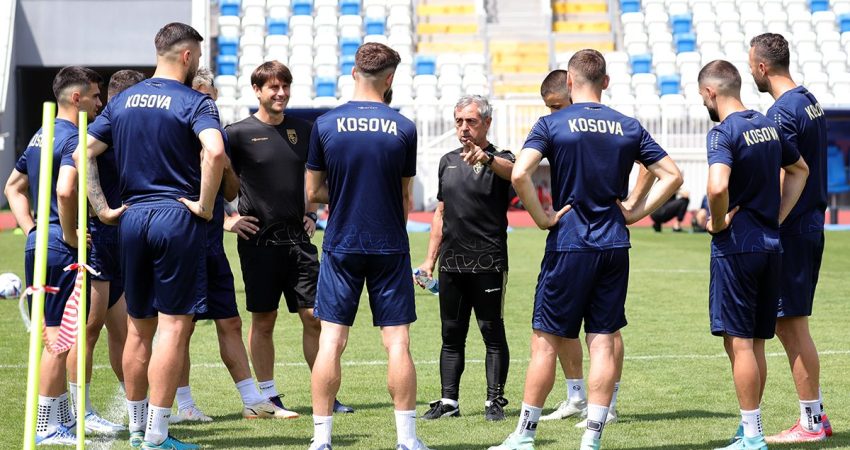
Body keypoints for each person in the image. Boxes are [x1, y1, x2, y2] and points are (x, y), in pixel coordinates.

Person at [490, 49, 683, 450]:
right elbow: (673, 175)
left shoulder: (552, 123)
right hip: (614, 243)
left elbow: (521, 172)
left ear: (569, 82)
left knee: (545, 341)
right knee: (603, 340)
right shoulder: (628, 125)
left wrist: (542, 217)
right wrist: (634, 211)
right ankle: (592, 437)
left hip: (570, 243)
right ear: (606, 82)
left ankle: (525, 435)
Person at [76, 22, 226, 449]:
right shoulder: (195, 101)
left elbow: (82, 151)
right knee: (174, 328)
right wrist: (205, 205)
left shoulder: (122, 101)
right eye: (198, 56)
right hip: (175, 216)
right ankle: (158, 435)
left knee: (137, 329)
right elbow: (215, 150)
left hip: (132, 217)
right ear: (186, 56)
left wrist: (102, 208)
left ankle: (138, 428)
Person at [306, 42, 429, 450]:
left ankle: (321, 439)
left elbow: (312, 193)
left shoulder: (325, 124)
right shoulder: (404, 127)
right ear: (390, 78)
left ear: (354, 72)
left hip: (342, 241)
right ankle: (406, 440)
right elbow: (405, 196)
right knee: (397, 342)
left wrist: (345, 192)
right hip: (389, 242)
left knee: (331, 341)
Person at [225, 60, 352, 417]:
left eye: (285, 86)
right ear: (257, 91)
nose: (280, 93)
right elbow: (212, 174)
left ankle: (324, 393)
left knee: (314, 318)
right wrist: (227, 219)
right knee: (264, 320)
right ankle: (267, 397)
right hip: (259, 244)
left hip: (299, 243)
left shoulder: (305, 130)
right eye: (273, 87)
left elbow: (315, 177)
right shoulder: (236, 133)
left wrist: (312, 213)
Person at [697, 59, 809, 450]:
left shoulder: (722, 132)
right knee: (756, 343)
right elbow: (800, 170)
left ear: (710, 92)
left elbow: (716, 187)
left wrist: (717, 222)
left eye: (703, 97)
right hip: (770, 246)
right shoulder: (768, 124)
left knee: (740, 343)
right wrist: (776, 216)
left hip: (738, 249)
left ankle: (753, 436)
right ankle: (750, 429)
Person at [169, 68, 278, 423]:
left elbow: (230, 192)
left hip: (211, 246)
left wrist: (226, 167)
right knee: (180, 327)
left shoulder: (217, 135)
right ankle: (185, 406)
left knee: (230, 321)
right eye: (197, 95)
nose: (204, 102)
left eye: (208, 96)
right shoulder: (174, 133)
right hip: (182, 241)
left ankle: (252, 400)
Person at [5, 65, 102, 446]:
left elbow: (13, 187)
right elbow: (65, 190)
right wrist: (71, 235)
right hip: (60, 247)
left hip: (40, 244)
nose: (100, 103)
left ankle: (58, 419)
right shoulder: (74, 137)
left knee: (53, 335)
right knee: (60, 341)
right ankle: (45, 425)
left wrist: (31, 229)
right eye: (95, 95)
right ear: (77, 98)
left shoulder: (40, 135)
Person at [749, 33, 832, 443]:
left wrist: (772, 221)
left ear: (763, 67)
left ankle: (811, 423)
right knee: (791, 324)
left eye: (751, 65)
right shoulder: (808, 99)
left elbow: (788, 173)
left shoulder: (782, 112)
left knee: (792, 326)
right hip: (810, 224)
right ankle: (817, 416)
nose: (751, 72)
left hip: (795, 230)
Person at [537, 69, 630, 427]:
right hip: (589, 239)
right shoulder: (564, 129)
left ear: (572, 92)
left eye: (557, 106)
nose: (553, 114)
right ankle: (577, 397)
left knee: (607, 330)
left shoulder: (590, 128)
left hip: (586, 241)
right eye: (549, 108)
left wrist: (633, 207)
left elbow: (660, 170)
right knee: (566, 327)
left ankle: (607, 405)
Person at [415, 95, 514, 422]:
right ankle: (449, 402)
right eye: (459, 121)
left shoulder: (502, 159)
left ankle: (494, 401)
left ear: (487, 122)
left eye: (471, 121)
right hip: (452, 264)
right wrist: (429, 261)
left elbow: (515, 174)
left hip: (488, 263)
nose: (464, 128)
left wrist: (486, 159)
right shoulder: (447, 162)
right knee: (451, 335)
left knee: (491, 333)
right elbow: (440, 213)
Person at [58, 69, 144, 436]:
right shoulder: (101, 129)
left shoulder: (127, 130)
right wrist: (98, 213)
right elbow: (71, 181)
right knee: (88, 329)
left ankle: (138, 407)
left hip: (122, 239)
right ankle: (82, 411)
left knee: (121, 329)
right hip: (101, 239)